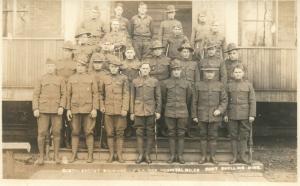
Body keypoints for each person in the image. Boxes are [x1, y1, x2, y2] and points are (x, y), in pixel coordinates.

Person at [32, 58, 66, 165]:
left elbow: (64, 94)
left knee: (56, 133)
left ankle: (56, 156)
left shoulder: (60, 79)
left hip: (56, 111)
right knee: (41, 133)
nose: (50, 68)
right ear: (46, 67)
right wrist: (36, 108)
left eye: (52, 66)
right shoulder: (41, 79)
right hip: (43, 110)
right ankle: (41, 156)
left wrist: (61, 107)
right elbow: (35, 95)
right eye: (48, 66)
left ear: (55, 67)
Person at [66, 54, 99, 163]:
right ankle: (73, 155)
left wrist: (95, 109)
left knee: (89, 132)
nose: (80, 67)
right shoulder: (71, 78)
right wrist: (68, 109)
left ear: (85, 67)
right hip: (75, 109)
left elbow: (95, 94)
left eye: (82, 65)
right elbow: (68, 95)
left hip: (88, 109)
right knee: (75, 132)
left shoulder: (91, 78)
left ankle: (90, 156)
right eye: (78, 65)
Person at [192, 67, 228, 164]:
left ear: (215, 73)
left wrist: (219, 110)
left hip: (214, 115)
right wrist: (194, 115)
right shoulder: (198, 85)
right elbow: (194, 101)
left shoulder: (220, 85)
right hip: (202, 115)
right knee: (203, 135)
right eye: (207, 72)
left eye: (211, 72)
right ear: (204, 73)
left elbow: (224, 100)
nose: (209, 74)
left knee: (213, 136)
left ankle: (213, 157)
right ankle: (203, 157)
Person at [99, 54, 129, 163]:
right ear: (109, 67)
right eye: (112, 67)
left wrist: (125, 109)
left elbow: (126, 94)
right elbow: (101, 94)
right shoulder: (104, 78)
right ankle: (111, 154)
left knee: (120, 133)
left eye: (116, 67)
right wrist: (102, 106)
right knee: (110, 133)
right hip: (108, 111)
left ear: (118, 68)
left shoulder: (124, 78)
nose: (114, 69)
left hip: (120, 111)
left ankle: (119, 155)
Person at [161, 60, 192, 164]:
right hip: (169, 111)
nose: (176, 72)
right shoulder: (165, 83)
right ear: (171, 71)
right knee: (171, 133)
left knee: (181, 134)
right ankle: (172, 155)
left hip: (182, 111)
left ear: (181, 70)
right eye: (174, 70)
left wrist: (182, 106)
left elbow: (188, 98)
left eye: (178, 70)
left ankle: (180, 156)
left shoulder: (187, 83)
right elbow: (164, 98)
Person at [224, 64, 256, 164]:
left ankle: (242, 157)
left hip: (245, 114)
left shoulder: (248, 85)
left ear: (243, 73)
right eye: (236, 72)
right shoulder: (229, 85)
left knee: (244, 136)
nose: (237, 74)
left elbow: (252, 100)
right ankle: (234, 157)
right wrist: (225, 114)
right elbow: (225, 100)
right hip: (232, 113)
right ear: (233, 74)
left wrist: (252, 114)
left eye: (239, 72)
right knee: (233, 135)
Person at [130, 62, 162, 164]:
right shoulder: (135, 81)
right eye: (143, 68)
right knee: (139, 132)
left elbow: (158, 97)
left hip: (150, 110)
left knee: (150, 132)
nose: (145, 70)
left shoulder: (154, 81)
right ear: (140, 69)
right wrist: (132, 112)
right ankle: (140, 155)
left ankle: (147, 155)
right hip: (138, 110)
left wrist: (158, 111)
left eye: (146, 68)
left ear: (149, 70)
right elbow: (132, 98)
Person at [145, 40, 170, 137]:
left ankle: (164, 127)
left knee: (163, 105)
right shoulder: (148, 61)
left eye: (159, 49)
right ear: (152, 51)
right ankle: (153, 127)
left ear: (162, 50)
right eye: (155, 49)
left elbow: (171, 74)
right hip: (152, 85)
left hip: (164, 85)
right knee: (152, 104)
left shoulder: (168, 60)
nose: (157, 51)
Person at [56, 41, 77, 149]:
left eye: (69, 51)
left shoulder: (75, 64)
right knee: (59, 120)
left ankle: (68, 141)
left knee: (70, 121)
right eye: (65, 50)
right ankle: (60, 142)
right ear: (62, 51)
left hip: (71, 94)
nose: (67, 53)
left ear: (71, 52)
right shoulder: (57, 63)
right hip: (59, 94)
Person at [176, 42, 198, 138]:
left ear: (190, 53)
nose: (185, 53)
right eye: (184, 52)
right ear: (181, 53)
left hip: (191, 89)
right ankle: (179, 129)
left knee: (189, 109)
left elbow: (197, 78)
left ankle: (187, 130)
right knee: (180, 109)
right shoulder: (176, 63)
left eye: (187, 52)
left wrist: (196, 90)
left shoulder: (194, 64)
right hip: (180, 89)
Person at [89, 52, 110, 149]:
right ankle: (92, 142)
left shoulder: (106, 74)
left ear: (102, 64)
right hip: (92, 101)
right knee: (92, 122)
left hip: (103, 101)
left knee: (104, 122)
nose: (97, 64)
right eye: (95, 63)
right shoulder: (89, 74)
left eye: (99, 63)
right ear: (93, 64)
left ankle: (104, 141)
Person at [121, 46, 141, 137]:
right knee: (126, 106)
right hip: (124, 87)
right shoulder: (121, 64)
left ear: (134, 54)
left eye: (131, 52)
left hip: (135, 87)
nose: (129, 54)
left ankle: (134, 127)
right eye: (128, 52)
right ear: (125, 54)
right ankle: (126, 128)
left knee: (134, 105)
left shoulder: (138, 63)